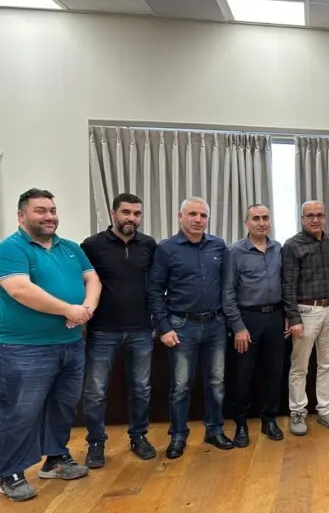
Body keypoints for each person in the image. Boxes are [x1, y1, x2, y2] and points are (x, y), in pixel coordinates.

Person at [0, 188, 100, 502]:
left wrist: (85, 311)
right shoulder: (11, 248)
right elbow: (19, 289)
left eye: (52, 210)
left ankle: (56, 459)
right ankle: (9, 472)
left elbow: (93, 279)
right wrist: (68, 310)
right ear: (22, 216)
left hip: (71, 344)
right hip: (25, 348)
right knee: (21, 411)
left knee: (63, 405)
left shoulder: (70, 247)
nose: (49, 216)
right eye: (40, 210)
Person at [149, 197, 232, 459]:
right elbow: (154, 290)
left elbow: (227, 286)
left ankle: (214, 430)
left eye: (203, 215)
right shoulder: (166, 248)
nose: (198, 220)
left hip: (216, 324)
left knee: (217, 383)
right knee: (181, 385)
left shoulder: (219, 245)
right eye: (192, 214)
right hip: (181, 325)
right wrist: (163, 327)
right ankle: (178, 435)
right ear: (180, 216)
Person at [80, 193, 158, 468]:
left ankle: (139, 436)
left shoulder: (149, 245)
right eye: (126, 212)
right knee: (95, 391)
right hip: (103, 330)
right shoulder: (92, 245)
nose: (131, 218)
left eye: (137, 213)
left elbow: (155, 285)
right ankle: (96, 442)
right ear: (113, 214)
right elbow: (83, 283)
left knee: (141, 388)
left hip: (141, 329)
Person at [223, 204, 286, 447]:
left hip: (275, 317)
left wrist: (288, 315)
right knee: (243, 374)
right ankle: (240, 423)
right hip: (247, 320)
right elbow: (228, 292)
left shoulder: (278, 248)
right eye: (256, 218)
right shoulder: (234, 252)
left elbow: (285, 283)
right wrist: (238, 326)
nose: (261, 223)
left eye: (265, 218)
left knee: (274, 372)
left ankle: (269, 419)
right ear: (246, 223)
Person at [282, 200, 329, 437]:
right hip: (306, 312)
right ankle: (298, 412)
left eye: (320, 215)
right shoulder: (292, 245)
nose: (315, 219)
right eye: (310, 216)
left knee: (327, 364)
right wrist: (294, 318)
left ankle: (325, 411)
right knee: (300, 367)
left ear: (325, 217)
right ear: (302, 219)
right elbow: (287, 285)